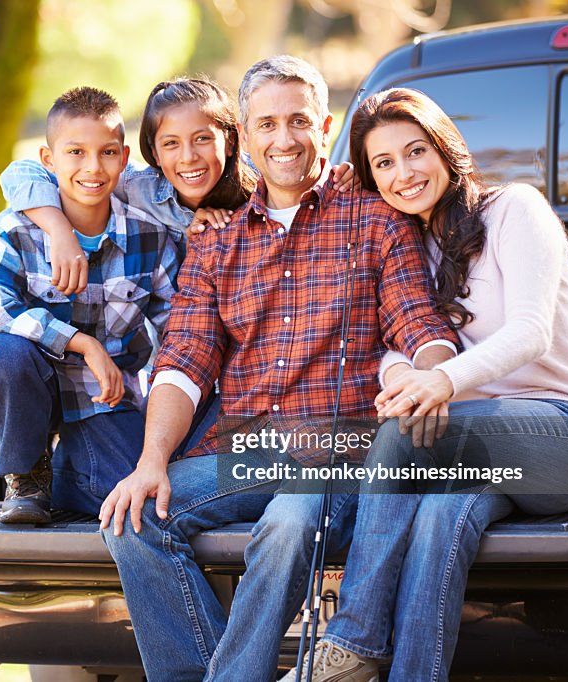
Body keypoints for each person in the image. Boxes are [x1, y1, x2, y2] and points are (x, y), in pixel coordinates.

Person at [96, 57, 459, 682]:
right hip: (247, 450)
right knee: (131, 521)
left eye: (298, 121)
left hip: (341, 450)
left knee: (289, 522)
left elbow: (419, 323)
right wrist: (152, 462)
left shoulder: (375, 220)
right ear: (246, 134)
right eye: (266, 124)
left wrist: (435, 376)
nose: (283, 139)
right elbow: (184, 359)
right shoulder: (218, 239)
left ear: (324, 125)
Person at [288, 88, 568, 682]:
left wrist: (437, 380)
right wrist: (404, 379)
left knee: (398, 436)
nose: (403, 173)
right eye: (383, 163)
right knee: (441, 517)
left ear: (445, 148)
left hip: (565, 436)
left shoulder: (515, 209)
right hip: (475, 452)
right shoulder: (409, 247)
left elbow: (530, 333)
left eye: (415, 151)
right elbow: (392, 346)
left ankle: (356, 638)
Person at [0, 86, 180, 524]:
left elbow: (175, 325)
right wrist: (83, 343)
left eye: (107, 153)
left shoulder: (148, 235)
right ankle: (27, 475)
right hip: (36, 386)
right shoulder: (16, 229)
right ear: (49, 161)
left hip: (104, 398)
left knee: (136, 499)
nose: (92, 167)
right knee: (4, 352)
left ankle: (68, 473)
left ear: (124, 159)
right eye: (75, 152)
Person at [0, 76, 356, 296]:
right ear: (152, 152)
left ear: (231, 141)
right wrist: (59, 230)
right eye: (171, 144)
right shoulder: (135, 187)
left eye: (202, 139)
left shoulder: (261, 179)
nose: (188, 158)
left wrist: (340, 177)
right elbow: (20, 173)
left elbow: (302, 171)